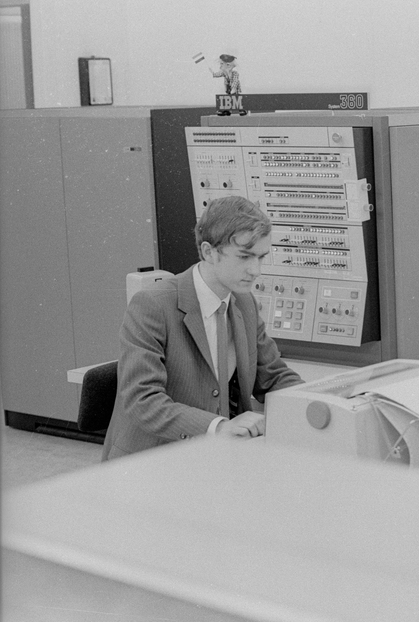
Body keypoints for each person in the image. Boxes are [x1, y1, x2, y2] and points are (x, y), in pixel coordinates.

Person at [102, 196, 302, 461]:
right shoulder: (153, 305)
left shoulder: (244, 302)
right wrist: (218, 427)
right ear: (209, 252)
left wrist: (321, 400)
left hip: (217, 457)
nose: (256, 270)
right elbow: (143, 399)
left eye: (261, 257)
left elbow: (273, 376)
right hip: (153, 460)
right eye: (244, 257)